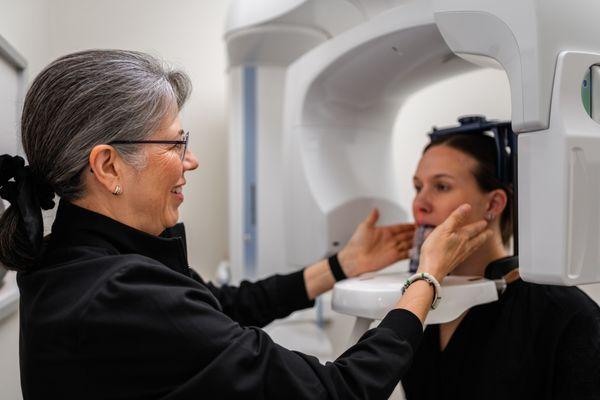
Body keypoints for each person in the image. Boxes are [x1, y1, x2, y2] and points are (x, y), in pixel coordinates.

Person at [0, 50, 491, 400]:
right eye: (174, 144)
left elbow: (220, 306)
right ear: (108, 167)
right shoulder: (118, 291)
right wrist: (426, 280)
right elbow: (339, 390)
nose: (190, 160)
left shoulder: (73, 259)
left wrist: (343, 265)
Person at [401, 122, 600, 400]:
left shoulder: (567, 315)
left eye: (441, 186)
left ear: (494, 204)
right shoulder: (417, 302)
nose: (419, 204)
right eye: (417, 187)